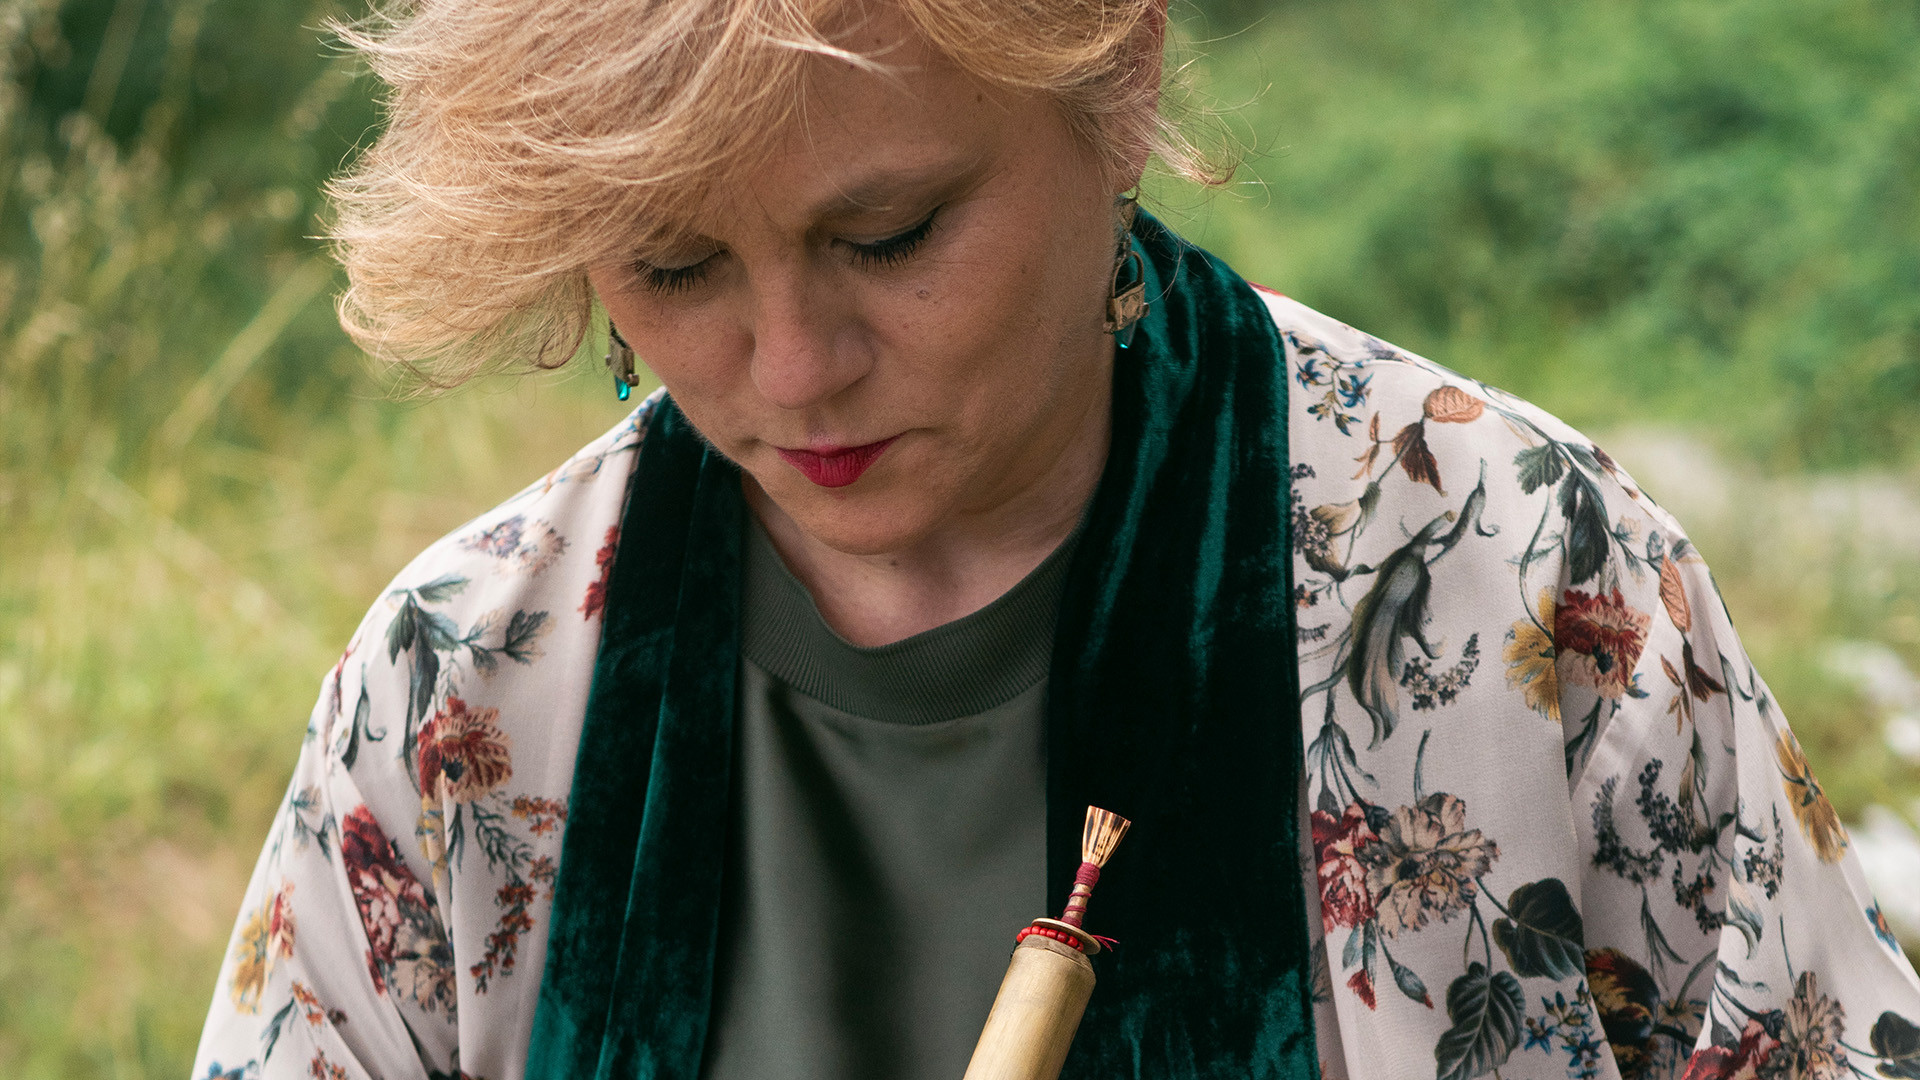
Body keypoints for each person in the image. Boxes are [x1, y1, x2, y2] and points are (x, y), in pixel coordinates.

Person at [192, 1, 1920, 1078]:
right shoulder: (456, 684)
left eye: (888, 233)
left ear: (1117, 73)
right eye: (675, 267)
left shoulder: (1518, 567)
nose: (791, 370)